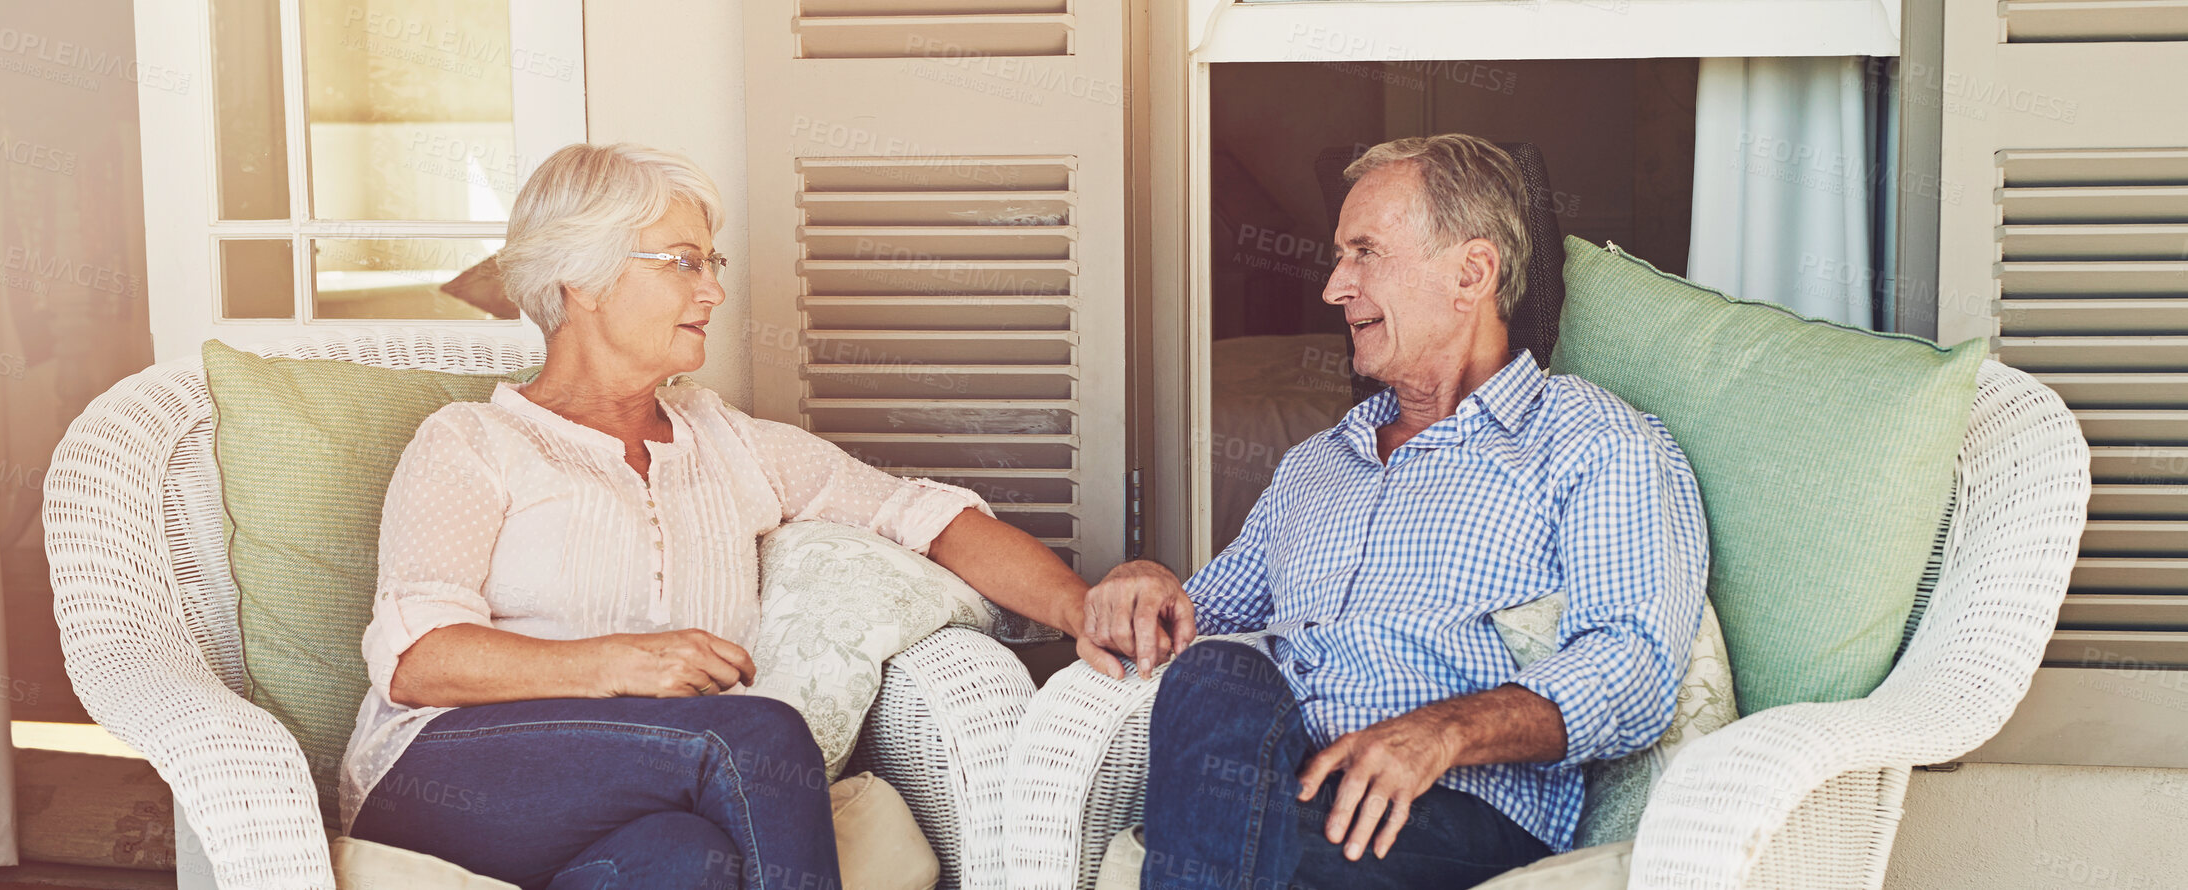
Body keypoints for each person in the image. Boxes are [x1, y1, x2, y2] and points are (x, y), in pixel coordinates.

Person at [341, 142, 1093, 889]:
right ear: (583, 277)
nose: (712, 292)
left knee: (684, 858)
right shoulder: (475, 441)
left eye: (712, 263)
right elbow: (417, 661)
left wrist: (1084, 607)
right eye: (682, 262)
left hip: (635, 802)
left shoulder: (728, 442)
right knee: (755, 737)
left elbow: (928, 517)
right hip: (440, 777)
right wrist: (620, 662)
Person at [1077, 134, 1711, 890]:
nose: (1334, 288)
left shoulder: (1590, 441)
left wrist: (1441, 733)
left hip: (1454, 813)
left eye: (1365, 253)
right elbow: (1193, 620)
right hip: (1280, 797)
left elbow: (1634, 666)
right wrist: (1146, 586)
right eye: (1340, 257)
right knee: (1216, 675)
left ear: (1472, 273)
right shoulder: (1315, 463)